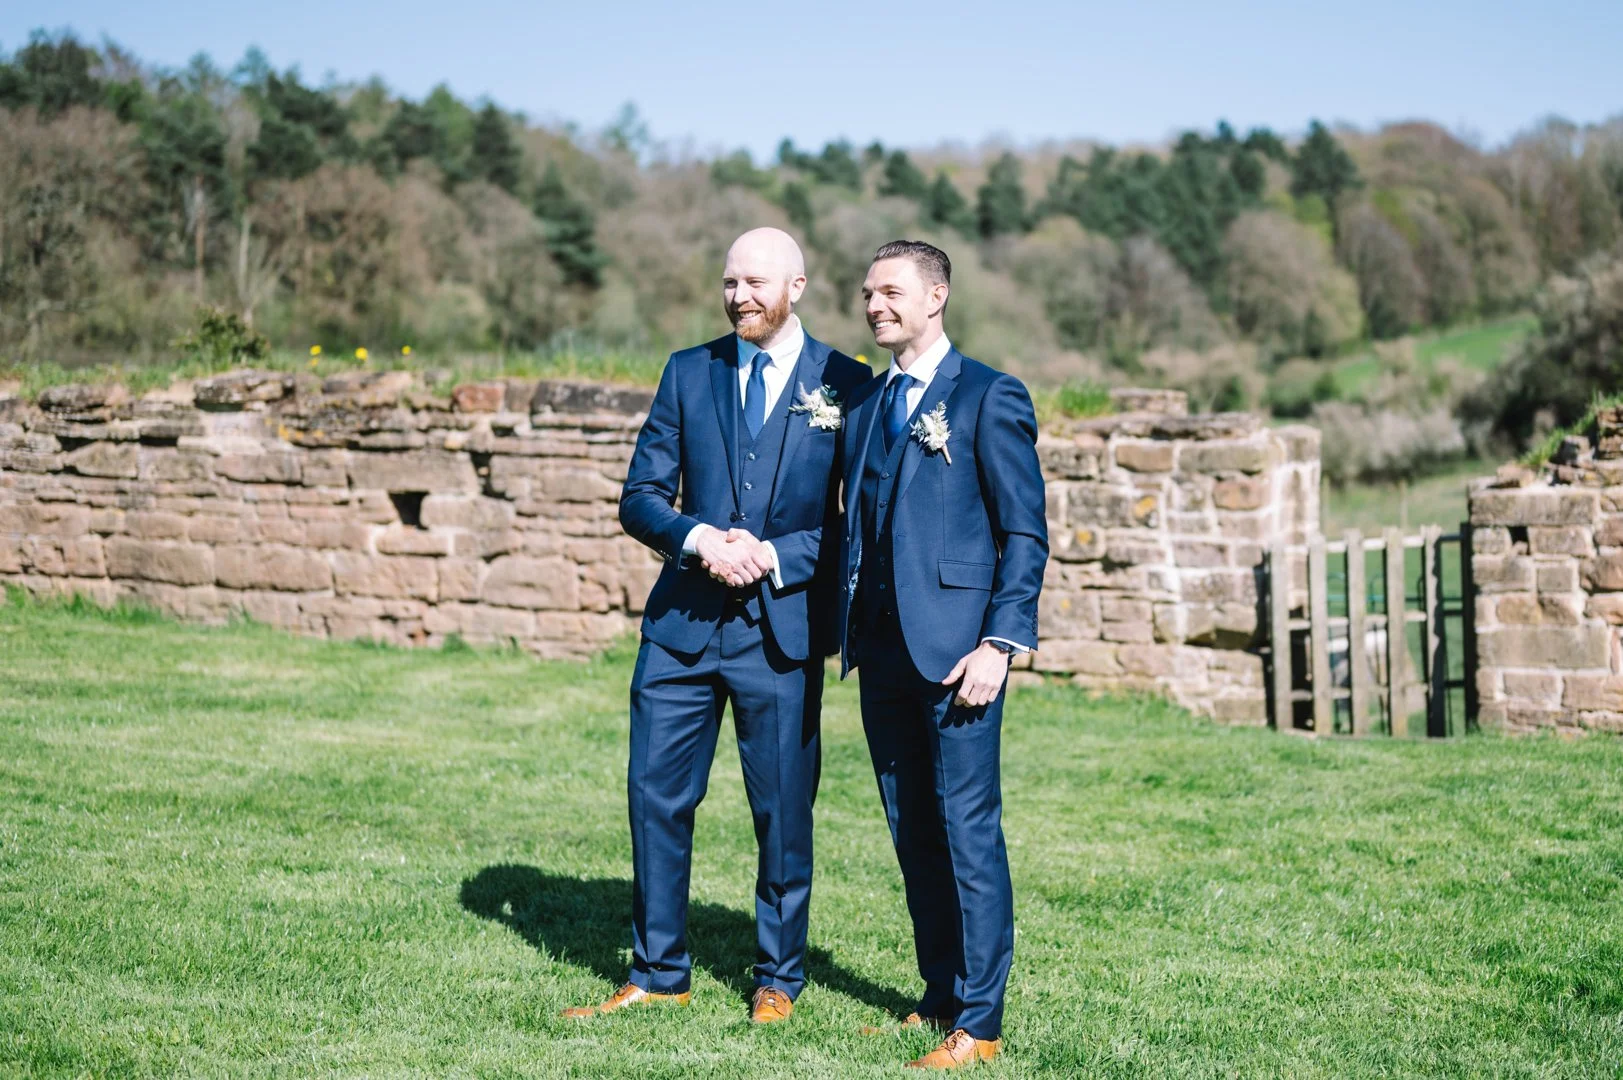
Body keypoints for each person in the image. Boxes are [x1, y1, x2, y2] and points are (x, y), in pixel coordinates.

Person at [564, 227, 871, 1025]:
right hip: (680, 631)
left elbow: (856, 522)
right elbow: (640, 497)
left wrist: (772, 555)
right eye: (730, 281)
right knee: (655, 800)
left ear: (796, 286)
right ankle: (657, 971)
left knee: (782, 812)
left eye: (756, 282)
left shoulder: (847, 382)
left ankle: (778, 978)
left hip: (782, 635)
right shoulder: (686, 371)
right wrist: (699, 540)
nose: (739, 296)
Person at [835, 240, 1048, 1068]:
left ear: (935, 297)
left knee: (967, 832)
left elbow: (1024, 534)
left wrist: (1000, 643)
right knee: (911, 831)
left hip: (960, 656)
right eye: (866, 293)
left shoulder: (989, 395)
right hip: (881, 653)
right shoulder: (865, 403)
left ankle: (980, 1025)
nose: (874, 305)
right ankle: (937, 996)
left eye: (890, 291)